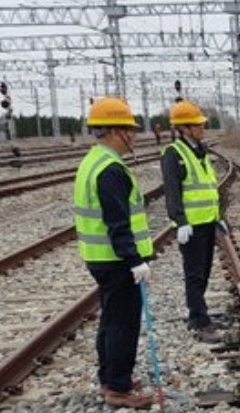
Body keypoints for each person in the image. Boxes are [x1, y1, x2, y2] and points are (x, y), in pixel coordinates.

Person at [74, 97, 155, 409]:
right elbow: (118, 223)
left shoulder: (92, 161)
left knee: (110, 319)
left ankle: (110, 378)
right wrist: (135, 260)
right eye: (128, 129)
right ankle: (118, 388)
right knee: (123, 323)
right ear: (113, 131)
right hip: (117, 260)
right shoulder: (110, 169)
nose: (133, 135)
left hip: (100, 258)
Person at [160, 100, 225, 343]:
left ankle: (199, 315)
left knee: (204, 270)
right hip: (191, 226)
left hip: (207, 222)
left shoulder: (200, 151)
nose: (202, 128)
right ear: (184, 128)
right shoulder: (173, 153)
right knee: (194, 273)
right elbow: (172, 190)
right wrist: (180, 220)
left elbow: (207, 188)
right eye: (197, 125)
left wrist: (218, 218)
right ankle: (199, 319)